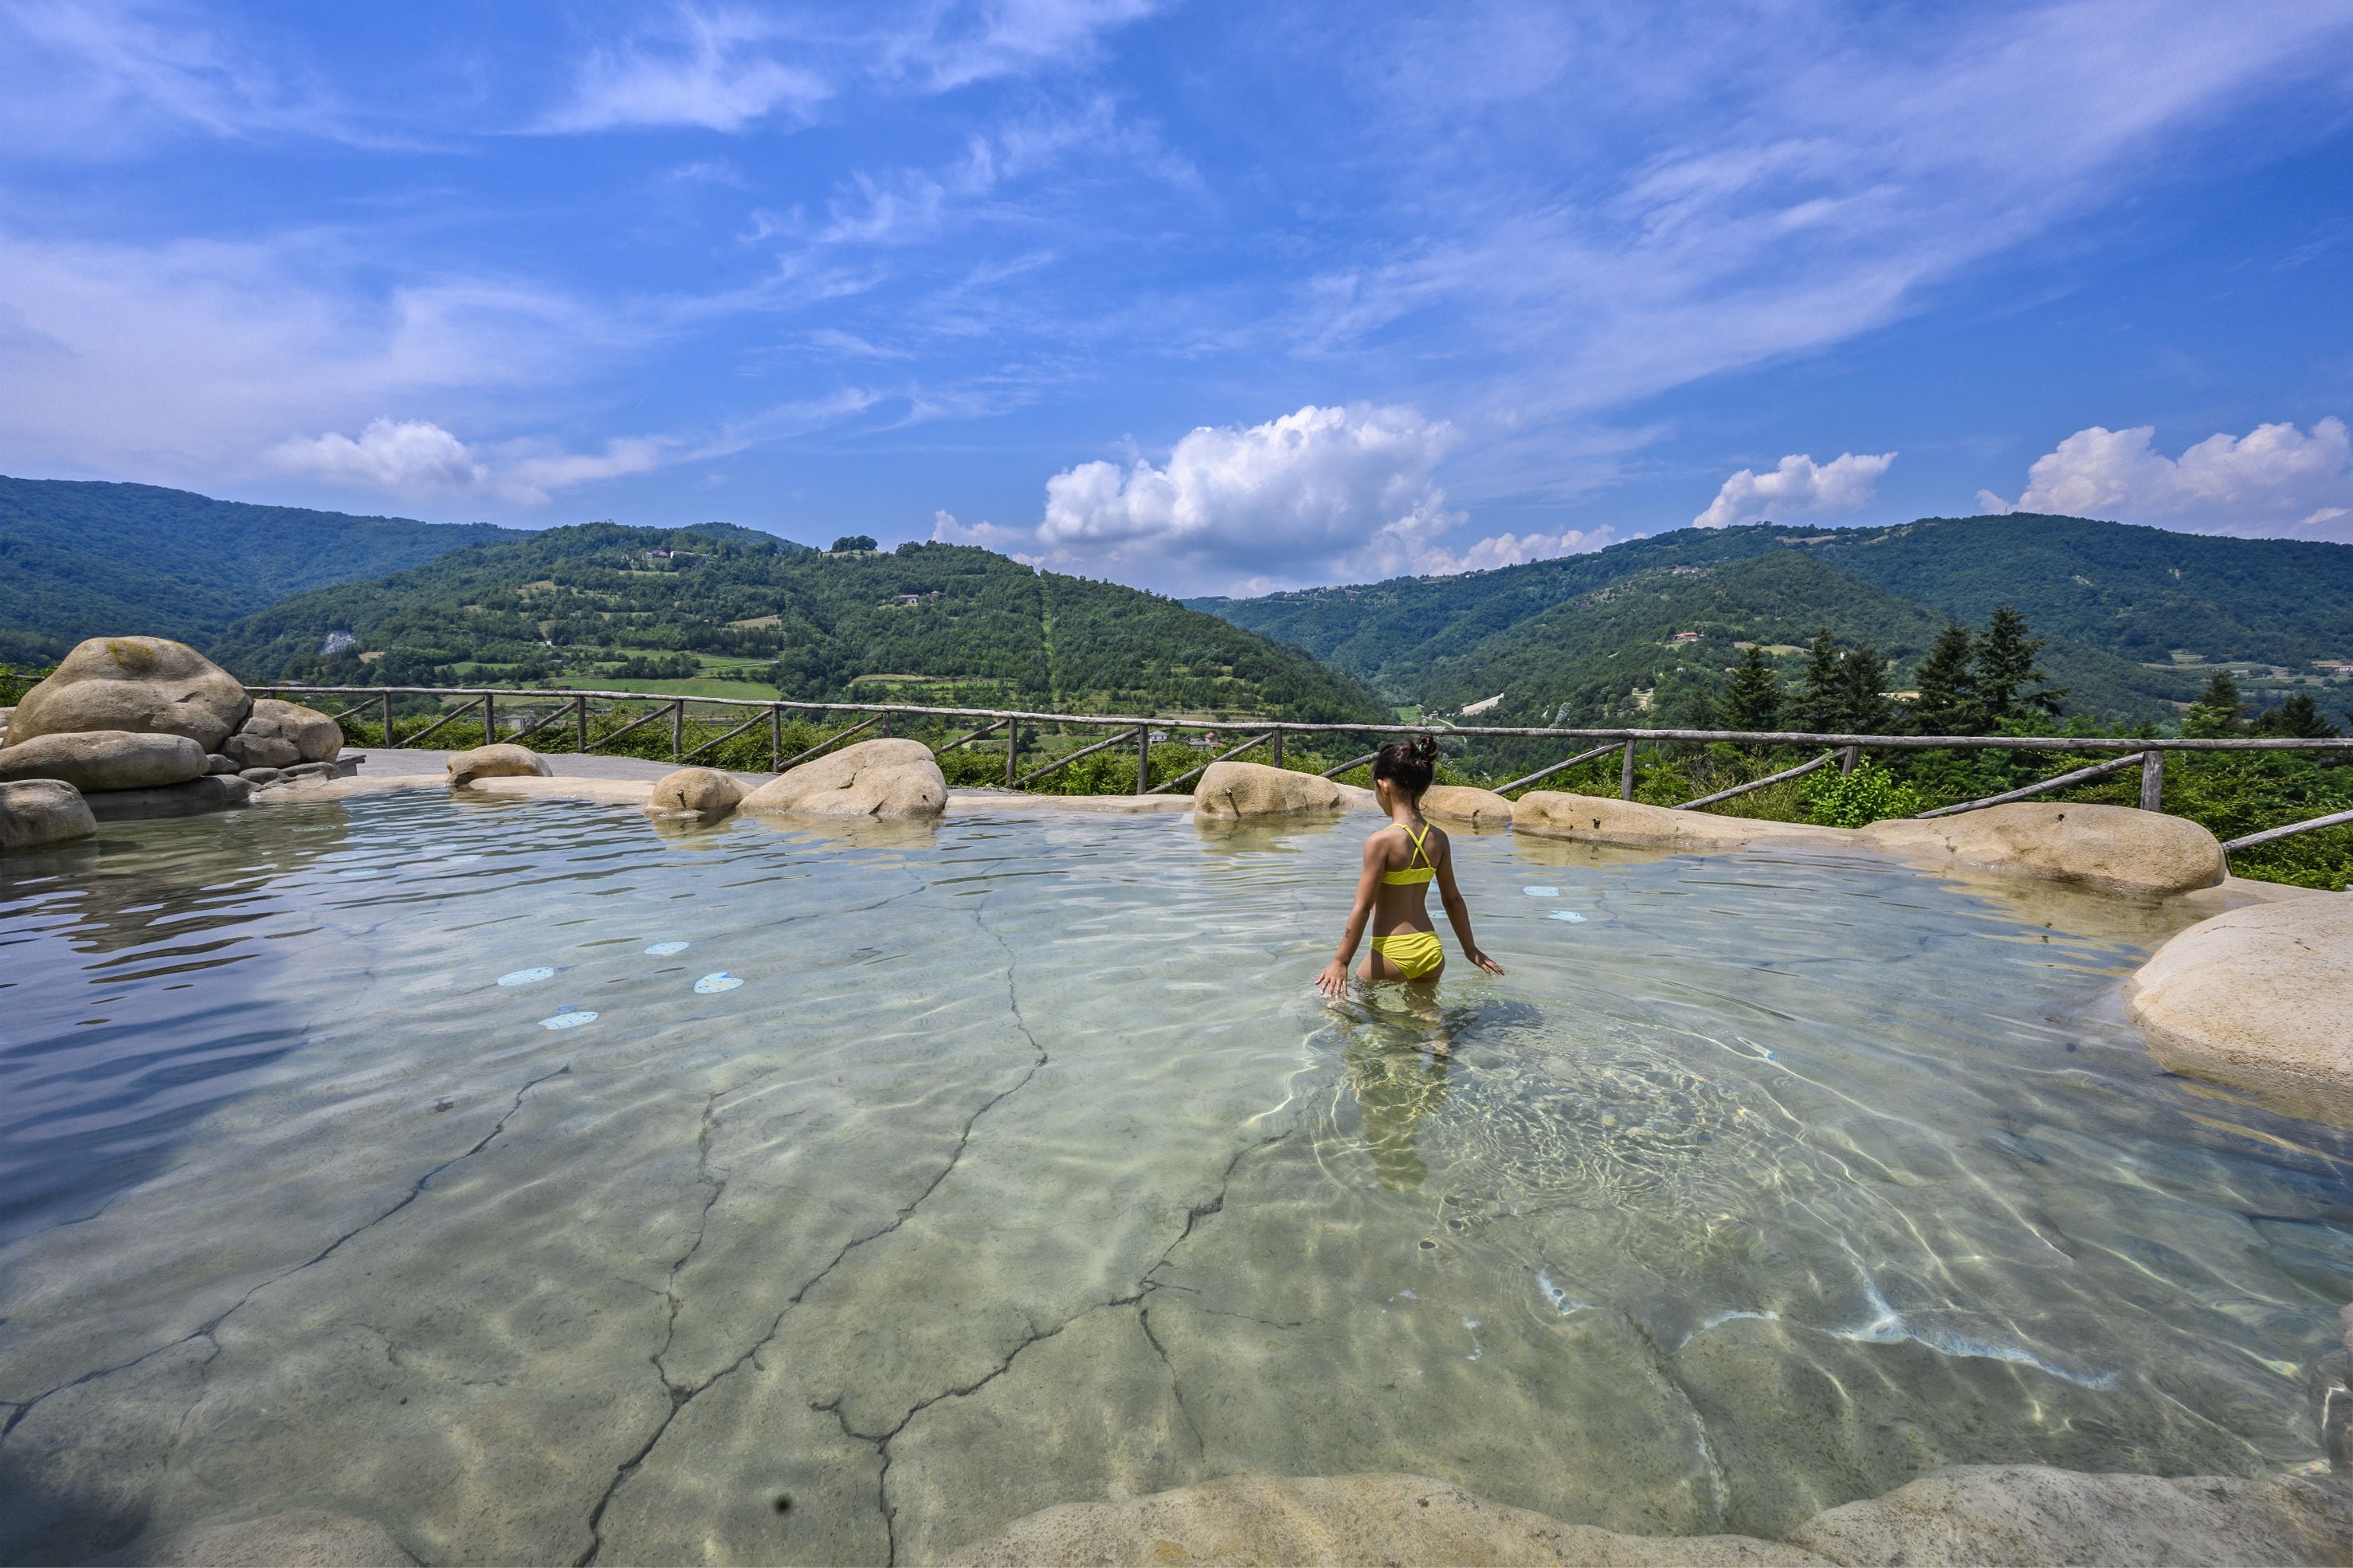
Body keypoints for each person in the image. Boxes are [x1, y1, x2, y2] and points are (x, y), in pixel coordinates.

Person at [1316, 736, 1504, 997]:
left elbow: (1363, 907)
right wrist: (1470, 949)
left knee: (1346, 1005)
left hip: (1392, 951)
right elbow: (1453, 900)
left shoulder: (1381, 841)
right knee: (1426, 1010)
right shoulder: (1439, 838)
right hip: (1430, 950)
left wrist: (1341, 961)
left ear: (1383, 786)